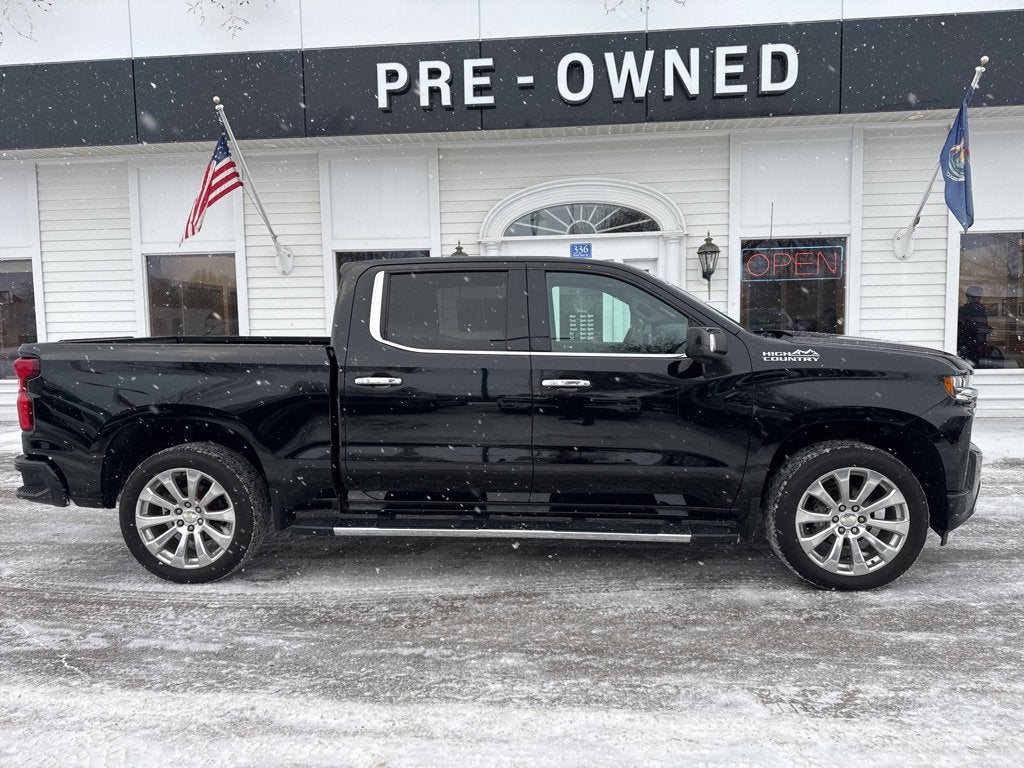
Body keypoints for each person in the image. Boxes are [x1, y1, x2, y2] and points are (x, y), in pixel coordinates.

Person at [957, 285, 992, 365]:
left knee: (966, 362)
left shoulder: (963, 309)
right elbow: (980, 324)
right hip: (973, 340)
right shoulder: (979, 309)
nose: (980, 298)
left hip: (966, 340)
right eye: (979, 296)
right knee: (973, 361)